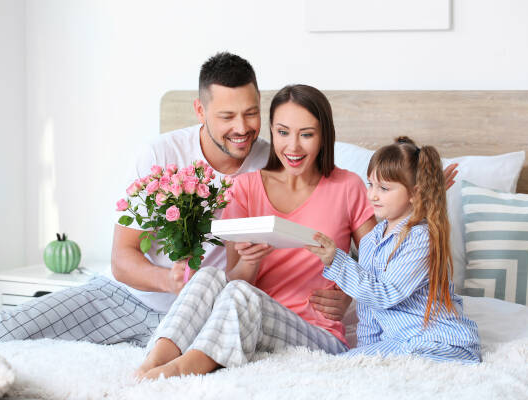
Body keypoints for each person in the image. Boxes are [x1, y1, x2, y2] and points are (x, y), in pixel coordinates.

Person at [0, 53, 350, 345]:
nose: (242, 129)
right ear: (200, 111)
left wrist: (348, 296)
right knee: (2, 333)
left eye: (251, 113)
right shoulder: (159, 155)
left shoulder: (275, 160)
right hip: (128, 300)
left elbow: (330, 220)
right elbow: (122, 258)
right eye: (227, 116)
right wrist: (170, 282)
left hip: (204, 317)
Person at [134, 84, 378, 380]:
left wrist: (352, 296)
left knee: (238, 293)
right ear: (272, 132)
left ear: (324, 135)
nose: (293, 147)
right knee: (212, 276)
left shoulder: (348, 187)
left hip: (318, 334)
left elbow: (380, 264)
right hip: (250, 321)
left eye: (307, 134)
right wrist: (251, 262)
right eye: (283, 132)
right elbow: (235, 279)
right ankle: (151, 364)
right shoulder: (246, 187)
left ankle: (181, 370)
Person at [306, 137, 481, 363]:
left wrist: (336, 261)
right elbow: (368, 311)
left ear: (414, 193)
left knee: (342, 365)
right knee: (348, 362)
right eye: (370, 184)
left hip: (439, 341)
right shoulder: (370, 242)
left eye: (384, 188)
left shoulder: (421, 239)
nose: (372, 195)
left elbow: (385, 294)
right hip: (402, 342)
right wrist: (368, 355)